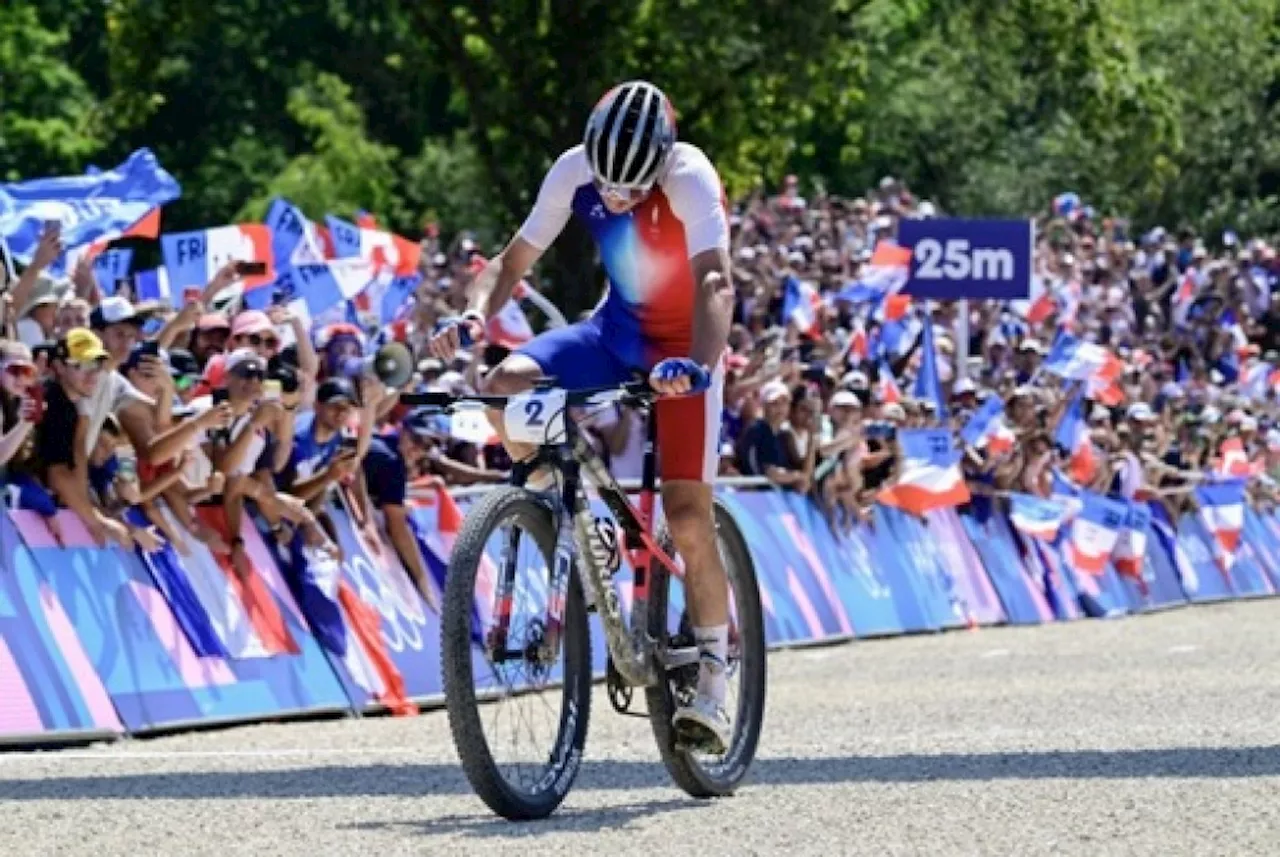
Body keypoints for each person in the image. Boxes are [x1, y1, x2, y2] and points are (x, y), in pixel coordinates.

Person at [428, 80, 738, 750]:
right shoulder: (574, 169)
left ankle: (713, 669)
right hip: (616, 333)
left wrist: (702, 366)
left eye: (633, 187)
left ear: (661, 159)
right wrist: (474, 312)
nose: (619, 198)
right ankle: (568, 511)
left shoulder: (689, 175)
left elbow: (715, 279)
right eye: (610, 186)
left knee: (686, 516)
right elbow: (511, 261)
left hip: (685, 349)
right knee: (506, 381)